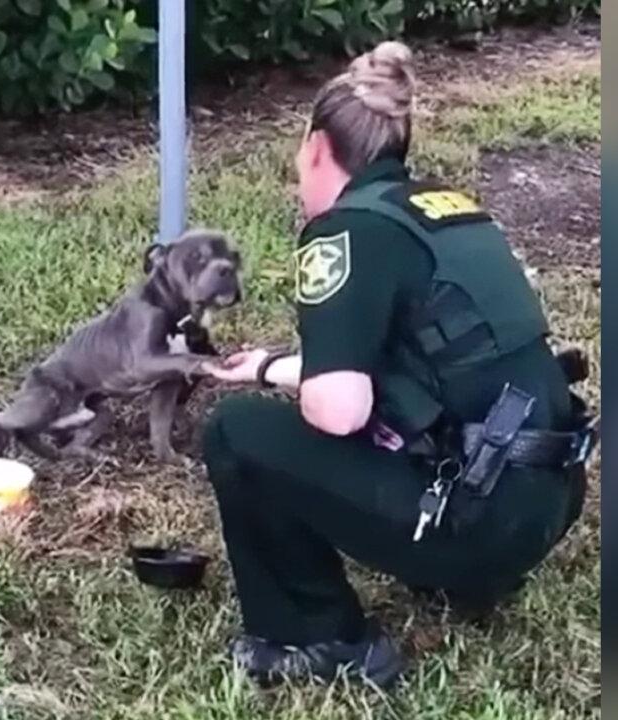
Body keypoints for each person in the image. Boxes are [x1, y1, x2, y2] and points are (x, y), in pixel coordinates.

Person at [200, 41, 596, 688]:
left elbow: (339, 409)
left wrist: (293, 392)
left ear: (318, 147)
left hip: (476, 525)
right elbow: (426, 370)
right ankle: (469, 573)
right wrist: (271, 365)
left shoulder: (342, 233)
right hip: (546, 502)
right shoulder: (446, 211)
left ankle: (321, 637)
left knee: (235, 434)